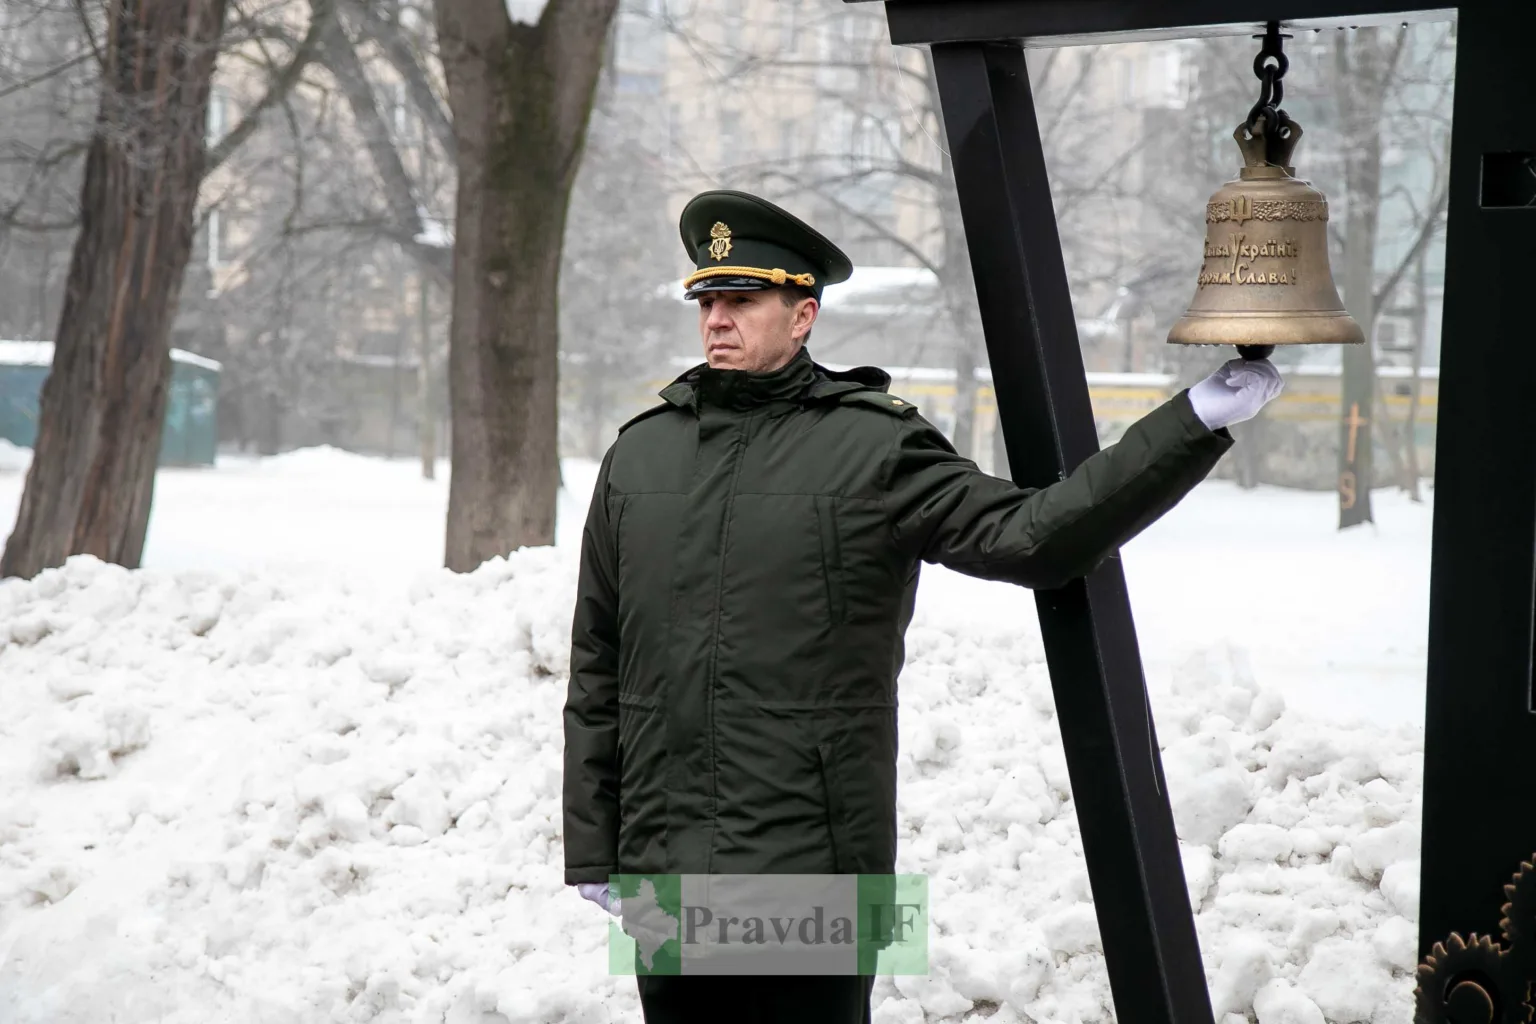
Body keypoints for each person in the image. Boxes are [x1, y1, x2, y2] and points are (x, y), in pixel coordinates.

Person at [562, 190, 1283, 1023]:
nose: (717, 319)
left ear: (803, 316)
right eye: (708, 301)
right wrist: (593, 841)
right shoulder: (638, 454)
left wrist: (1195, 422)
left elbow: (1031, 536)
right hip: (664, 854)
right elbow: (599, 662)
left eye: (743, 301)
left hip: (814, 857)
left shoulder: (875, 444)